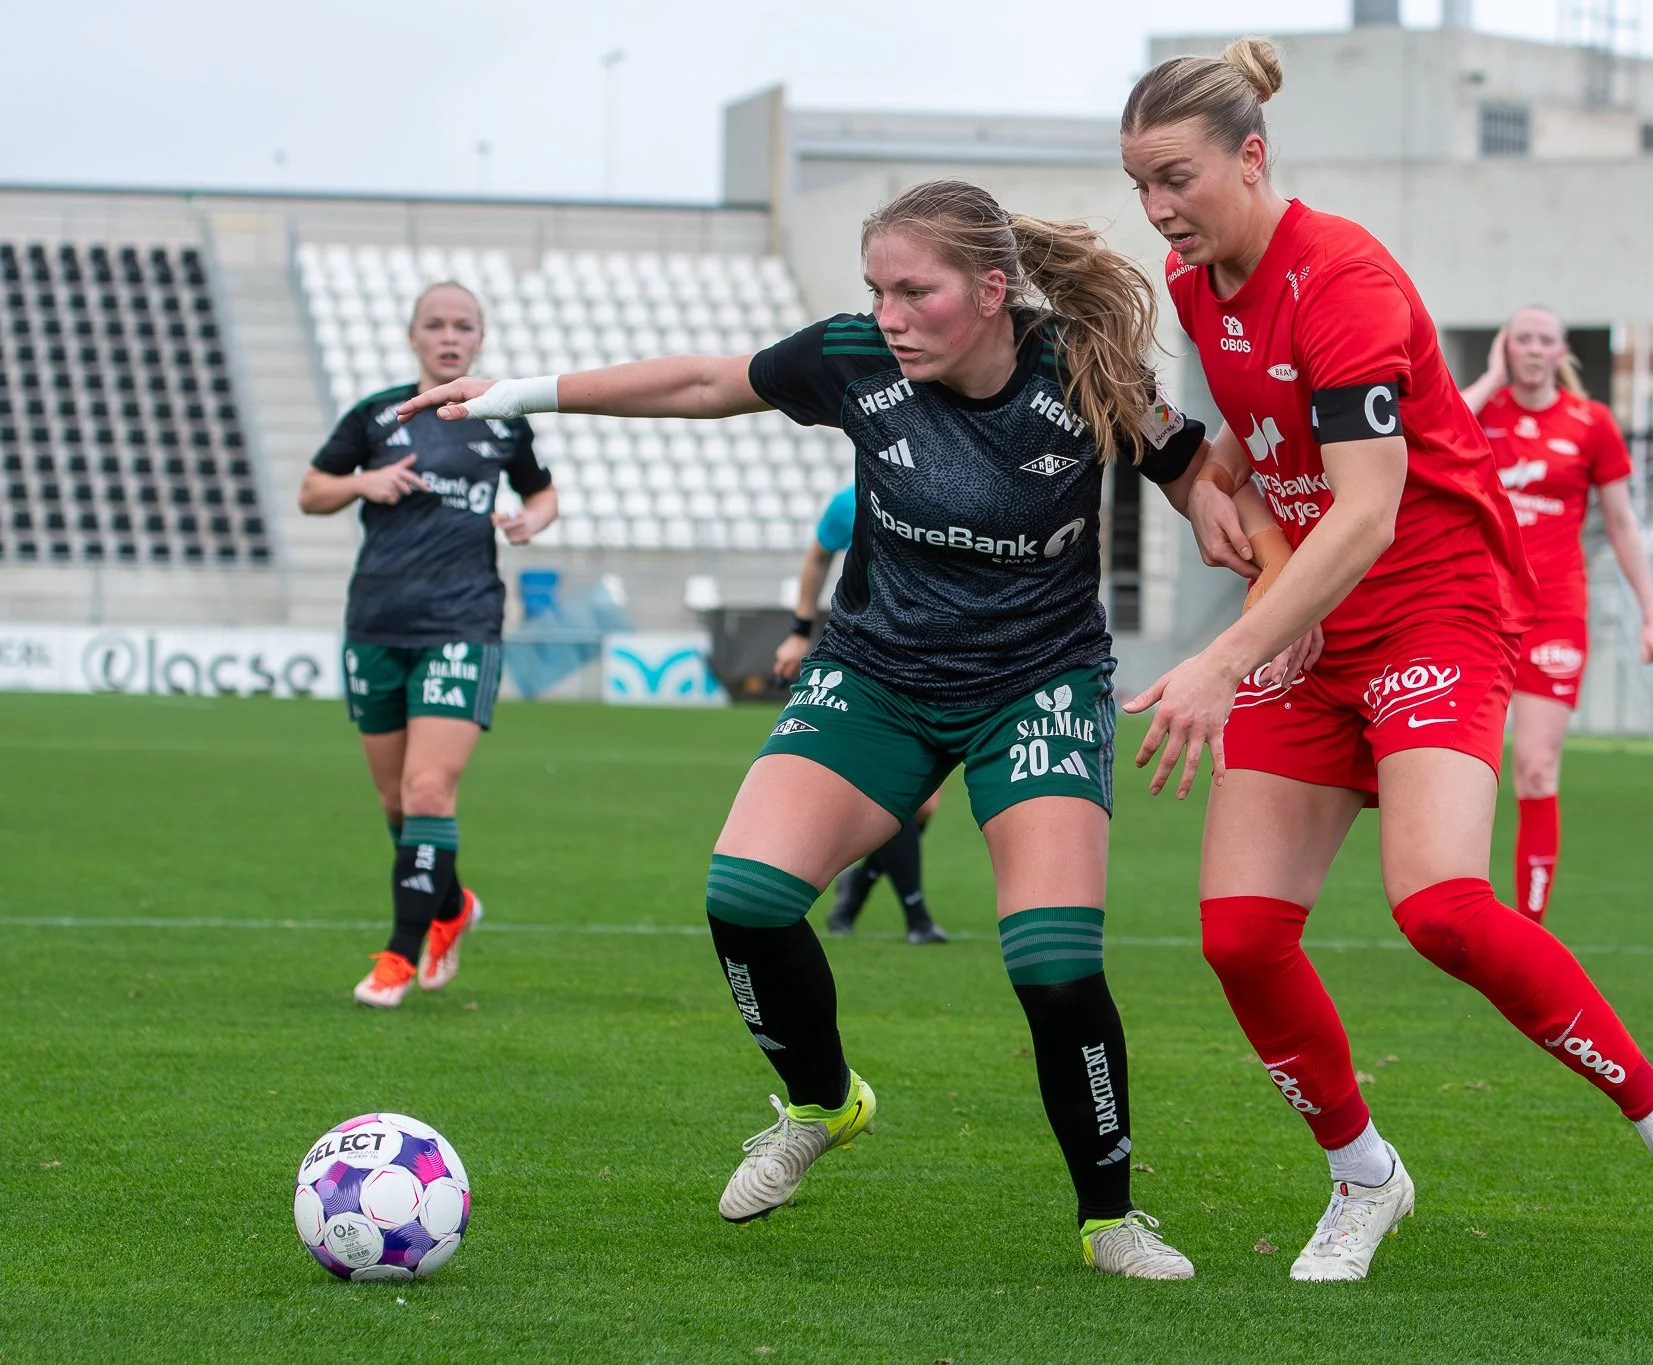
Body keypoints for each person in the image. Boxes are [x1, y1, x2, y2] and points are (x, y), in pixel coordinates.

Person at [400, 180, 1217, 1279]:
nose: (885, 313)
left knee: (1052, 965)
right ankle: (822, 1103)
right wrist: (524, 395)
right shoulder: (851, 360)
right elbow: (701, 381)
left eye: (911, 291)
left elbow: (1193, 470)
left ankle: (1109, 1218)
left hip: (1037, 685)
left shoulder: (1083, 365)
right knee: (741, 896)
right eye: (874, 288)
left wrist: (1253, 565)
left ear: (986, 291)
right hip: (876, 674)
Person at [1118, 37, 1653, 1283]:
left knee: (1439, 909)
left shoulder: (1340, 277)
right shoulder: (1194, 286)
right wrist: (1212, 493)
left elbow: (1362, 510)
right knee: (1240, 937)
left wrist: (1218, 657)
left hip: (1430, 610)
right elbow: (1265, 446)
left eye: (1176, 178)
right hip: (1312, 616)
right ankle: (1364, 1178)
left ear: (1251, 157)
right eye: (1138, 183)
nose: (1156, 210)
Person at [298, 281, 556, 1008]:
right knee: (394, 800)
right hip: (376, 623)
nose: (449, 336)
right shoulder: (374, 415)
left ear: (479, 339)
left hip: (463, 623)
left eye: (463, 326)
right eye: (435, 324)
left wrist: (533, 522)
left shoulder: (503, 419)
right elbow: (311, 490)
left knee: (428, 789)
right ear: (414, 336)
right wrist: (363, 482)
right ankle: (449, 907)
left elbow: (543, 493)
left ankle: (397, 956)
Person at [1460, 310, 1653, 921]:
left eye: (1543, 340)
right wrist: (1489, 377)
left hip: (1554, 611)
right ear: (1506, 346)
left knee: (1533, 765)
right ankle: (1458, 903)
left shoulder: (1592, 423)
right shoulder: (1486, 412)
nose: (1532, 349)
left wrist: (1651, 615)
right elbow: (1426, 429)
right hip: (1477, 607)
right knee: (1469, 765)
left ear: (1561, 351)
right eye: (1520, 339)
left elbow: (1622, 524)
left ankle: (1530, 925)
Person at [774, 485, 948, 944]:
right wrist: (799, 630)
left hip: (944, 663)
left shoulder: (950, 491)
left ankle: (853, 896)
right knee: (903, 799)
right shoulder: (848, 500)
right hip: (873, 665)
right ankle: (917, 917)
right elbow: (817, 557)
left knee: (925, 806)